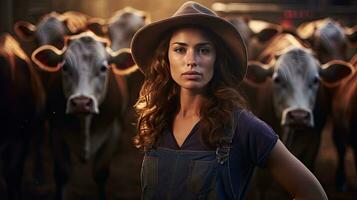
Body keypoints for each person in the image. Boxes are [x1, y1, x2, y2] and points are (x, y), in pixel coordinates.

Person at [130, 1, 328, 199]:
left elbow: (312, 193)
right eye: (180, 49)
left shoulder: (243, 126)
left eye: (204, 50)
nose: (192, 60)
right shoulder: (156, 120)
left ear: (218, 59)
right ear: (166, 58)